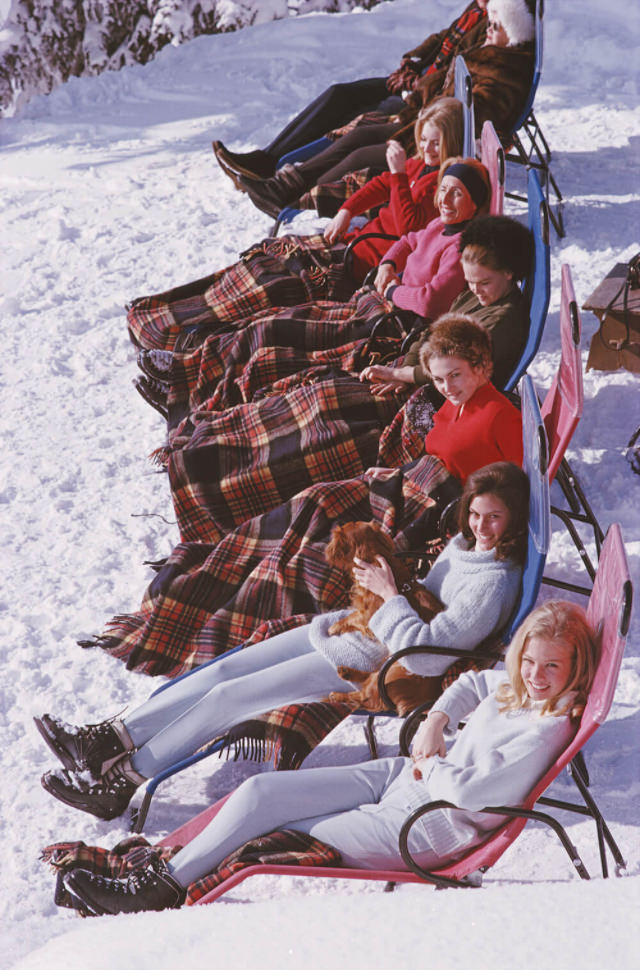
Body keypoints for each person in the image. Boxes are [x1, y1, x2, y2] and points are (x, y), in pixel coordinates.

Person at [37, 461, 529, 822]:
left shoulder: (493, 583)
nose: (479, 528)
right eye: (475, 514)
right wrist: (387, 583)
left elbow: (424, 654)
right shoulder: (466, 546)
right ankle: (108, 739)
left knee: (230, 698)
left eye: (493, 519)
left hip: (375, 658)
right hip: (358, 626)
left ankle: (124, 781)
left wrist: (389, 594)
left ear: (513, 522)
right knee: (227, 669)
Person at [53, 600, 600, 915]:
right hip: (404, 781)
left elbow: (474, 794)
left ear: (574, 669)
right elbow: (478, 681)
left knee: (268, 831)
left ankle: (155, 891)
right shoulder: (522, 687)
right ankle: (167, 872)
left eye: (552, 668)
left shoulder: (546, 729)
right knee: (258, 794)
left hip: (425, 824)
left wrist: (431, 762)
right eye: (529, 661)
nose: (534, 675)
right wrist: (435, 721)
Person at [63, 314, 524, 684]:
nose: (446, 387)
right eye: (440, 379)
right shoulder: (456, 400)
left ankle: (230, 613)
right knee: (312, 500)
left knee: (314, 540)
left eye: (456, 376)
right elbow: (440, 432)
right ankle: (210, 571)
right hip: (406, 481)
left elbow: (510, 487)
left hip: (433, 510)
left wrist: (470, 518)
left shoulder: (501, 416)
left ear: (483, 367)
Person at [158, 216, 532, 550]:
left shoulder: (502, 320)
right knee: (311, 397)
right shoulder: (476, 295)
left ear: (510, 273)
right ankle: (204, 447)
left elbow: (455, 371)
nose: (475, 289)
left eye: (484, 282)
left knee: (319, 425)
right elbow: (436, 333)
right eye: (470, 281)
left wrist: (402, 374)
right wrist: (403, 365)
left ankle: (212, 488)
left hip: (429, 400)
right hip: (417, 379)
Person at [133, 156, 490, 421]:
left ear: (474, 204)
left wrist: (394, 291)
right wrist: (388, 263)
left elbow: (431, 301)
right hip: (370, 303)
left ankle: (186, 388)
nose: (444, 200)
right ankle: (187, 370)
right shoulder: (439, 228)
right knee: (270, 322)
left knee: (274, 338)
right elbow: (409, 238)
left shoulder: (461, 246)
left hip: (387, 324)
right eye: (443, 190)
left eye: (456, 194)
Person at [227, 0, 534, 219]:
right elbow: (444, 46)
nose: (491, 25)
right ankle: (281, 183)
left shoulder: (500, 64)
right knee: (350, 121)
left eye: (498, 24)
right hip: (427, 116)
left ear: (514, 31)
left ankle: (294, 200)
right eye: (492, 20)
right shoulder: (484, 31)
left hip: (441, 137)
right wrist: (413, 66)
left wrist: (419, 98)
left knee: (358, 150)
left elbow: (471, 111)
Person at [211, 2, 488, 181]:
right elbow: (442, 38)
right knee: (339, 94)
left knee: (357, 116)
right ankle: (267, 158)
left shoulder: (495, 23)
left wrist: (416, 84)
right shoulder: (476, 8)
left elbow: (461, 70)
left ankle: (286, 174)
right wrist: (412, 62)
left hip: (426, 100)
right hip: (414, 82)